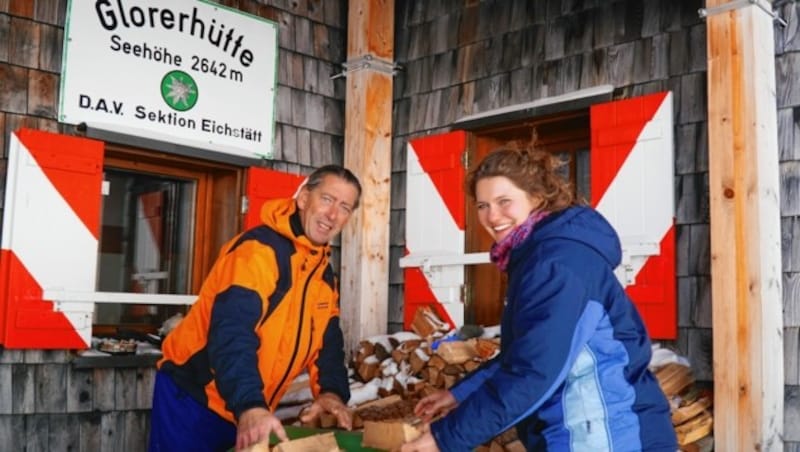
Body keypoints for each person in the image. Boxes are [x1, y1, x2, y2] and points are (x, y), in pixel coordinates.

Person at [401, 146, 677, 451]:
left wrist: (445, 438)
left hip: (605, 432)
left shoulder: (557, 263)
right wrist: (459, 395)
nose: (492, 216)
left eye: (504, 201)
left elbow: (534, 372)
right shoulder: (538, 255)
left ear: (536, 197)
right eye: (482, 205)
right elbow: (526, 353)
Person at [149, 165, 362, 452]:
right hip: (195, 397)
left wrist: (331, 393)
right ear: (303, 199)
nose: (332, 214)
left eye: (344, 206)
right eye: (326, 199)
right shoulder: (258, 252)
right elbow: (232, 332)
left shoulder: (323, 273)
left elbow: (328, 340)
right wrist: (249, 404)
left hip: (247, 404)